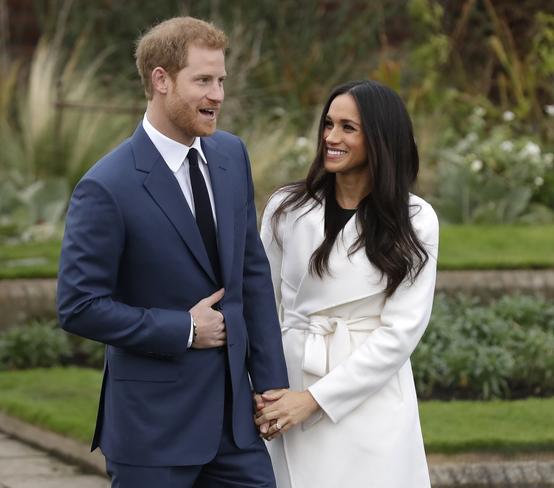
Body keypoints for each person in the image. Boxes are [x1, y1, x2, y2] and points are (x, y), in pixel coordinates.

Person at [57, 16, 288, 488]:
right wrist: (183, 329)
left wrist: (270, 383)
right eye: (203, 80)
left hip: (235, 430)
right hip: (152, 433)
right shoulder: (106, 186)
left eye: (221, 80)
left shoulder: (231, 156)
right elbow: (79, 307)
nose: (218, 95)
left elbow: (251, 274)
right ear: (161, 80)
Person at [255, 80, 439, 488]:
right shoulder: (287, 209)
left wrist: (315, 400)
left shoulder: (416, 220)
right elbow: (259, 304)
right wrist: (266, 388)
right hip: (287, 386)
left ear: (379, 138)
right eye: (328, 124)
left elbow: (400, 333)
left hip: (368, 398)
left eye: (347, 128)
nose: (331, 138)